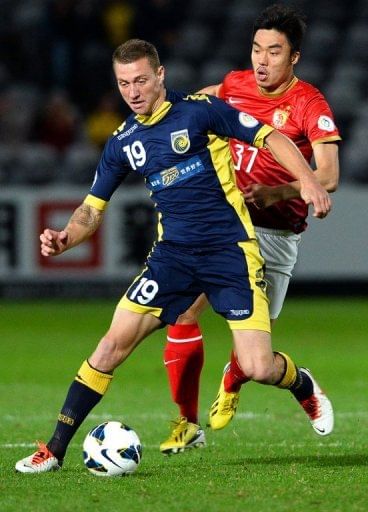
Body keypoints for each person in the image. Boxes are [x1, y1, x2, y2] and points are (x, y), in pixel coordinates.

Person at [15, 38, 331, 473]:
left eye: (141, 80)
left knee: (257, 366)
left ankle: (301, 383)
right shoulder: (123, 141)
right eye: (124, 83)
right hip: (173, 259)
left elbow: (270, 136)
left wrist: (308, 181)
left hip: (230, 254)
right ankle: (53, 450)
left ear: (160, 76)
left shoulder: (200, 111)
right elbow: (92, 209)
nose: (133, 91)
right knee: (110, 347)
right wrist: (67, 237)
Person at [160, 4, 340, 454]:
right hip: (225, 228)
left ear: (293, 57)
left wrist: (277, 193)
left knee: (253, 360)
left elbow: (330, 175)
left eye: (274, 52)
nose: (262, 60)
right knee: (183, 312)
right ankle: (185, 422)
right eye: (257, 49)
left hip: (276, 235)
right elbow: (202, 100)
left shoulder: (308, 102)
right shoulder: (237, 83)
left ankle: (291, 382)